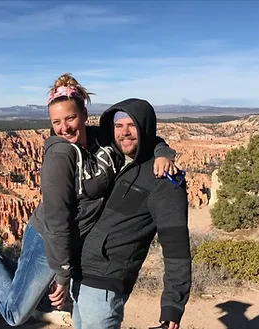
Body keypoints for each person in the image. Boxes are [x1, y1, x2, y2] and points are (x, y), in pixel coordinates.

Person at [0, 74, 178, 326]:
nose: (65, 128)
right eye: (56, 122)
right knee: (16, 315)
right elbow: (57, 221)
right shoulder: (60, 156)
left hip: (71, 241)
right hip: (46, 238)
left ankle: (18, 271)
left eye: (70, 118)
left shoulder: (102, 139)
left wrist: (163, 153)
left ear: (84, 114)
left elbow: (143, 136)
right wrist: (62, 273)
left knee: (37, 292)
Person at [65, 98, 192, 329]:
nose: (125, 132)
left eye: (132, 125)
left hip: (106, 282)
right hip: (80, 276)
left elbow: (177, 246)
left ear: (144, 127)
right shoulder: (114, 160)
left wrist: (173, 305)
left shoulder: (163, 179)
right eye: (118, 126)